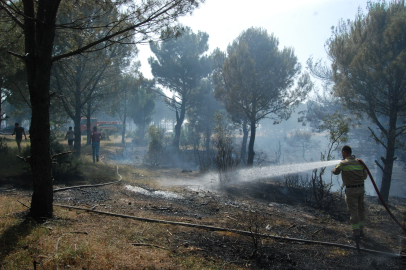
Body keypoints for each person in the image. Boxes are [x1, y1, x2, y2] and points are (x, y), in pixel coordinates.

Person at [332, 145, 368, 247]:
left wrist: (337, 165)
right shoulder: (359, 162)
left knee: (354, 211)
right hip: (361, 189)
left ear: (344, 152)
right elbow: (365, 176)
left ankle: (356, 234)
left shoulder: (343, 163)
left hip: (351, 190)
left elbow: (335, 172)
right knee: (361, 210)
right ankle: (361, 231)